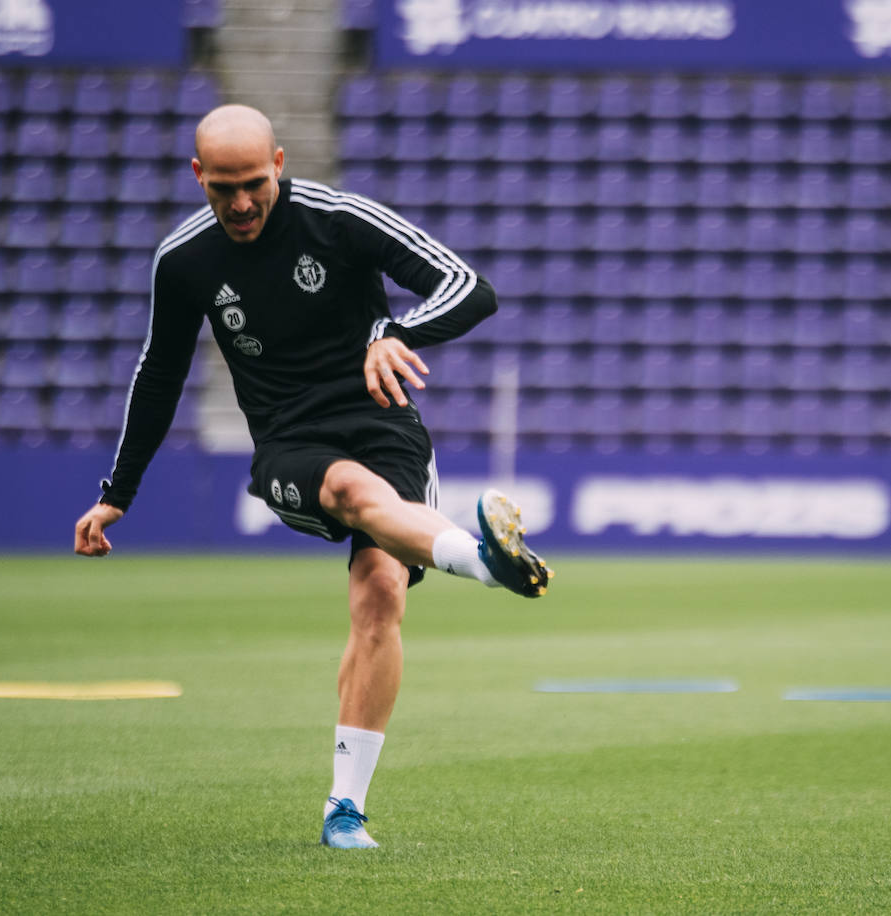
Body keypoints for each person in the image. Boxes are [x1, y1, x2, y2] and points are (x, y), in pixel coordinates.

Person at [73, 104, 552, 850]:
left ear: (280, 164)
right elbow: (160, 371)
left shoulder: (340, 219)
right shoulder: (184, 260)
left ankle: (344, 811)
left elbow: (469, 286)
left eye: (254, 184)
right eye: (222, 187)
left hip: (384, 423)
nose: (239, 204)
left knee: (381, 590)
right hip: (292, 444)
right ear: (198, 176)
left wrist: (395, 332)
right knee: (352, 493)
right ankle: (483, 562)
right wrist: (116, 494)